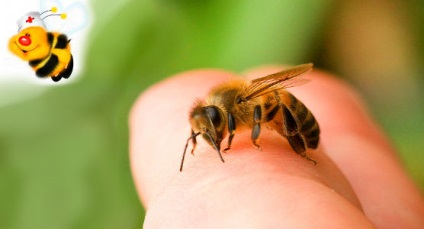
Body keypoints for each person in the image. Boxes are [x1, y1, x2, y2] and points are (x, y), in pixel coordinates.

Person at [129, 65, 424, 228]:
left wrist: (254, 139)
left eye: (213, 130)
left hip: (288, 112)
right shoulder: (219, 112)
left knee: (279, 108)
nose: (213, 136)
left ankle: (301, 149)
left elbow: (256, 112)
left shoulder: (238, 105)